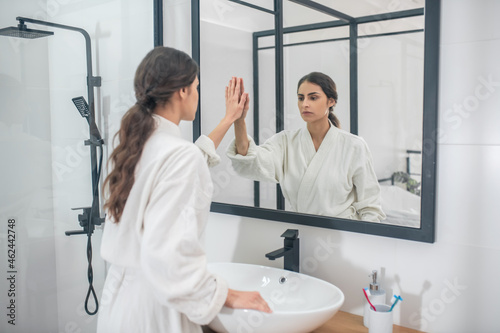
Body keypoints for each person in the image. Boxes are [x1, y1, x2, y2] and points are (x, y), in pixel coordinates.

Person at [97, 46, 271, 333]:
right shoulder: (177, 155)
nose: (197, 95)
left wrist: (231, 119)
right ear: (182, 91)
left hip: (120, 306)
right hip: (154, 312)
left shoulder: (133, 147)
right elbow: (169, 255)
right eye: (197, 87)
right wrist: (227, 294)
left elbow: (190, 158)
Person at [226, 72, 386, 222]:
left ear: (331, 101)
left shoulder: (354, 146)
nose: (305, 104)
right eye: (301, 98)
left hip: (343, 237)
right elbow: (252, 161)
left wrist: (361, 242)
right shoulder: (285, 141)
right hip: (301, 233)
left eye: (313, 98)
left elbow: (371, 207)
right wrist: (239, 121)